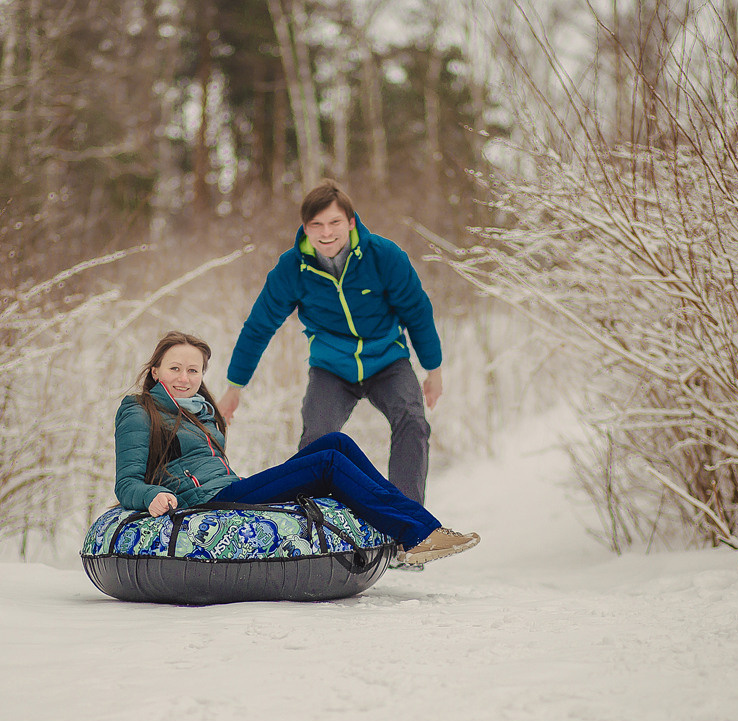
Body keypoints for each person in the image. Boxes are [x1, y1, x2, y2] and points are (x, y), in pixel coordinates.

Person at [115, 331, 478, 566]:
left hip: (230, 489)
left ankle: (424, 528)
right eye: (175, 369)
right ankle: (412, 536)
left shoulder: (201, 410)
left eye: (193, 371)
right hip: (207, 502)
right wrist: (151, 496)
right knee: (328, 462)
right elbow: (127, 482)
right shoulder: (140, 410)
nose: (184, 378)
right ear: (156, 371)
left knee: (336, 442)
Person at [218, 179, 442, 505]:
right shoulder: (292, 269)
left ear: (350, 222)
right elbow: (259, 326)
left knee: (413, 422)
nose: (326, 233)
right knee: (316, 439)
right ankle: (314, 519)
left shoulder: (384, 256)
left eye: (334, 222)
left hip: (387, 360)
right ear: (305, 228)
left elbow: (417, 312)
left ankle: (407, 518)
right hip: (331, 367)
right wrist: (234, 386)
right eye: (317, 225)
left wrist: (433, 369)